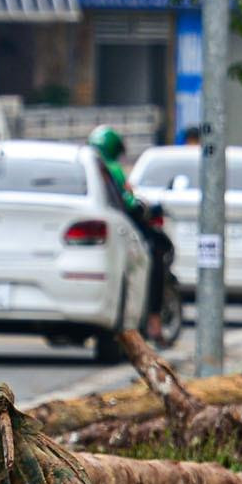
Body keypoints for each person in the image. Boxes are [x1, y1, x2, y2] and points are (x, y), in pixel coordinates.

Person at [88, 125, 174, 334]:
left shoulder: (90, 166)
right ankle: (146, 321)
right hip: (124, 229)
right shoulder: (113, 169)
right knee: (150, 257)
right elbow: (129, 201)